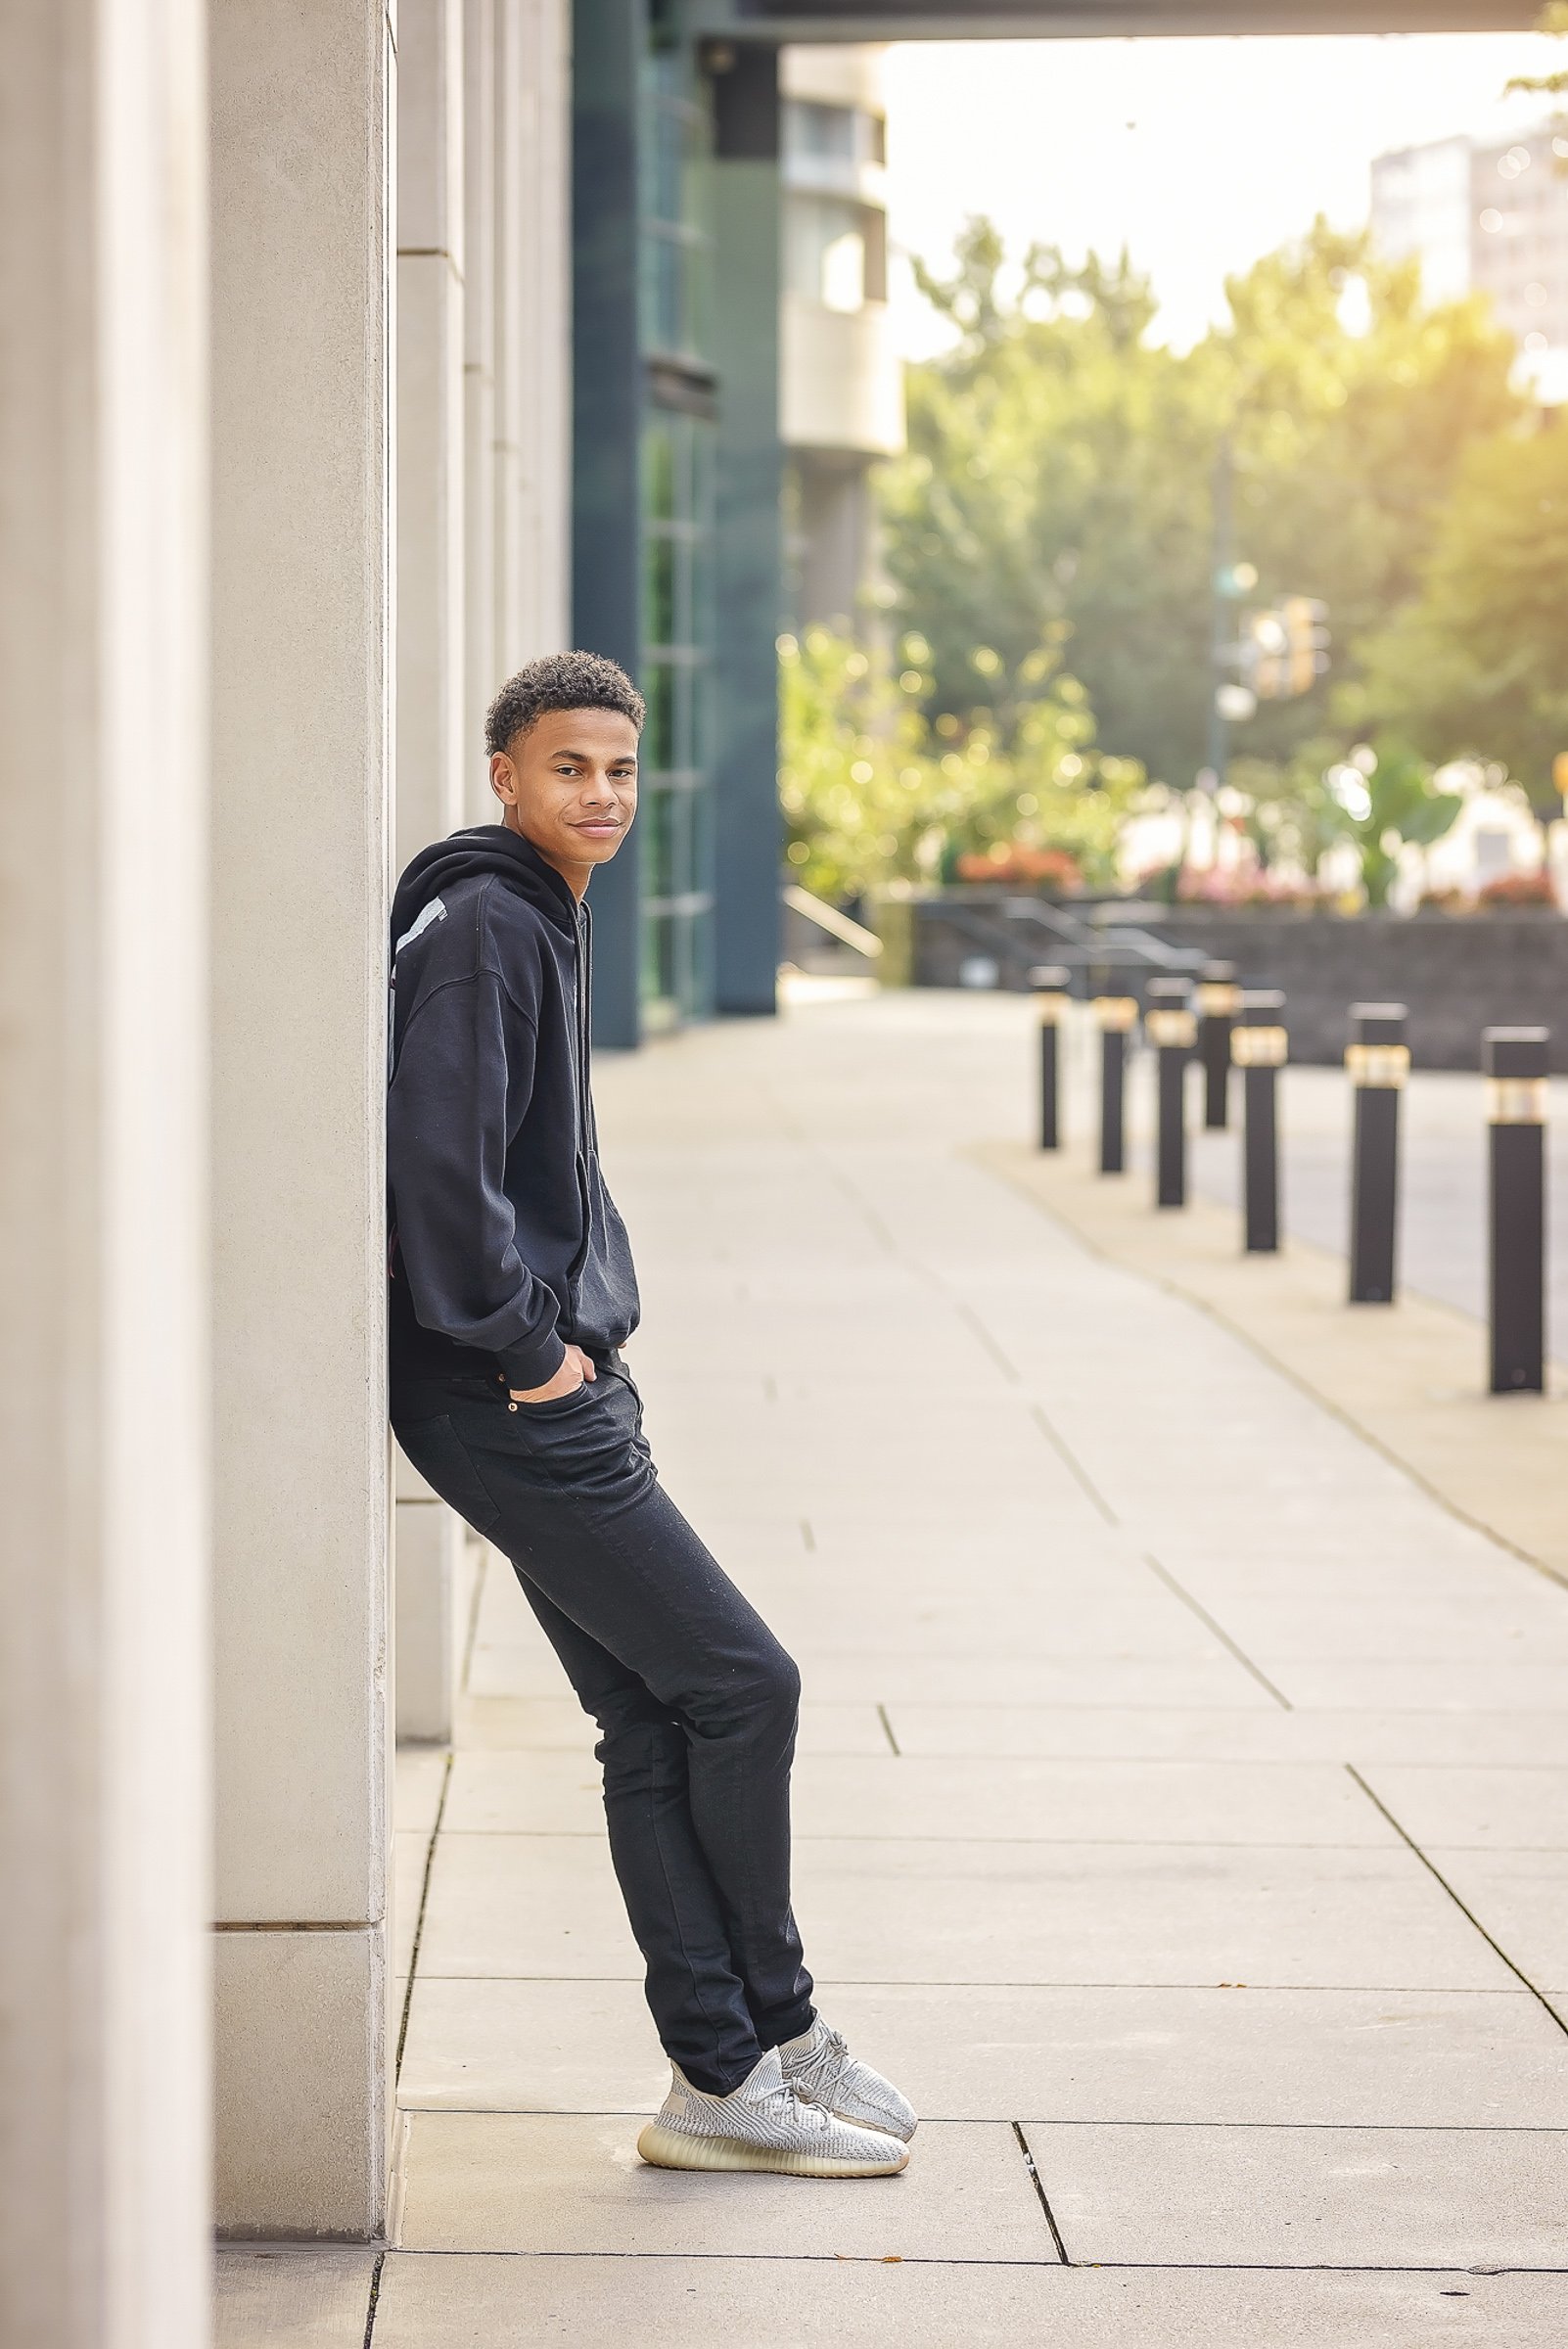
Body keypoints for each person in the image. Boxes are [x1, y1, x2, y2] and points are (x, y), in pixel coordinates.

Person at [387, 650, 916, 2180]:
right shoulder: (491, 923)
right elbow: (439, 1167)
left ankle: (726, 2069)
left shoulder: (525, 910)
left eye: (619, 770)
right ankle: (772, 2027)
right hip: (508, 1393)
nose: (600, 796)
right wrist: (532, 1351)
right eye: (569, 768)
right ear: (505, 773)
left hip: (525, 1383)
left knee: (648, 1717)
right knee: (746, 1684)